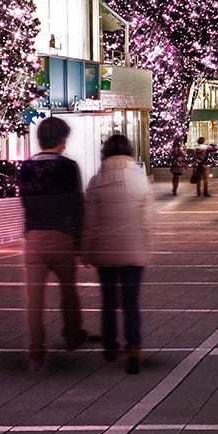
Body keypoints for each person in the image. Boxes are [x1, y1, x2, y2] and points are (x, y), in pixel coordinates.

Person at [17, 116, 87, 371]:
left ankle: (36, 352)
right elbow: (76, 204)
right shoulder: (68, 167)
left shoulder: (26, 167)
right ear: (61, 140)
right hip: (62, 237)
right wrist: (79, 239)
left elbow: (25, 201)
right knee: (68, 289)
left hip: (35, 238)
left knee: (34, 299)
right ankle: (72, 334)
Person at [82, 134, 152, 374]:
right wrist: (146, 248)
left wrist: (86, 251)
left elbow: (90, 223)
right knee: (131, 303)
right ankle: (133, 348)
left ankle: (110, 346)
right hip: (133, 251)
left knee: (109, 302)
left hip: (105, 251)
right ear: (130, 152)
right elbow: (147, 221)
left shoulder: (96, 180)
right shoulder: (140, 179)